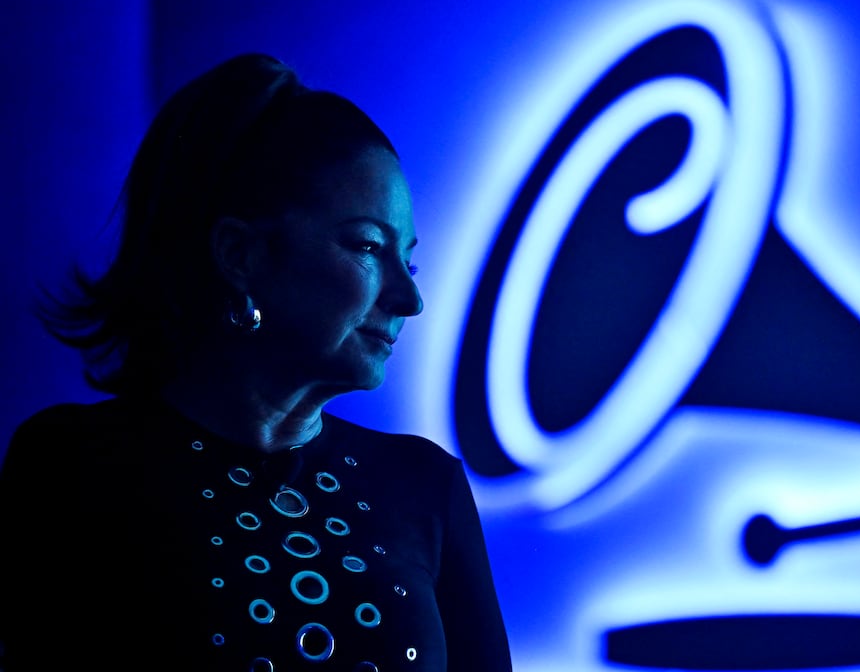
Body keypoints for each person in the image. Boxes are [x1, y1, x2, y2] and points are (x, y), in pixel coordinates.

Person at [0, 53, 512, 671]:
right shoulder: (73, 465)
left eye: (410, 260)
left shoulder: (427, 485)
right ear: (239, 255)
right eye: (368, 247)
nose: (410, 298)